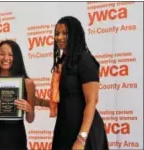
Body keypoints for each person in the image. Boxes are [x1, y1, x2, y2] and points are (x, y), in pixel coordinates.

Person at [49, 16, 109, 150]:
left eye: (65, 33)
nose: (59, 37)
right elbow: (65, 99)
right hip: (65, 129)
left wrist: (81, 138)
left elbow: (91, 101)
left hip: (84, 134)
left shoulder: (84, 59)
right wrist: (34, 101)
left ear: (75, 35)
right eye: (57, 33)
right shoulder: (63, 62)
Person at [0, 40, 36, 150]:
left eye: (10, 54)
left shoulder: (28, 84)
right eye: (2, 54)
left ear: (17, 57)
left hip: (17, 140)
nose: (5, 58)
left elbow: (30, 119)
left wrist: (29, 109)